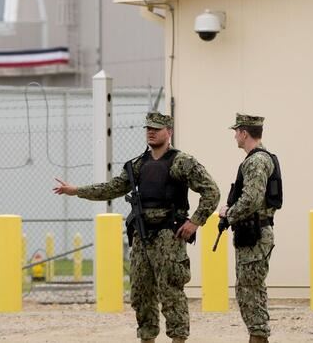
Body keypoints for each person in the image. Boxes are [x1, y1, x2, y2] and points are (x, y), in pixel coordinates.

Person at [53, 111, 220, 343]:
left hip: (168, 236)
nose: (151, 132)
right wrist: (77, 190)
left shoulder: (182, 162)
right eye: (148, 128)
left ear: (168, 132)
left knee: (171, 292)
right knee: (141, 293)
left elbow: (212, 191)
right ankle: (147, 338)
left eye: (156, 128)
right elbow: (112, 188)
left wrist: (195, 221)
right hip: (142, 237)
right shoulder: (137, 165)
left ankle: (178, 339)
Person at [219, 113, 283, 343]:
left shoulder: (256, 161)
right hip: (252, 235)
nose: (235, 136)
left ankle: (258, 338)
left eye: (236, 131)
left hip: (255, 236)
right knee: (251, 290)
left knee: (250, 293)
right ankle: (257, 337)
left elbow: (252, 199)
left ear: (244, 133)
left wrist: (228, 214)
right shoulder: (258, 159)